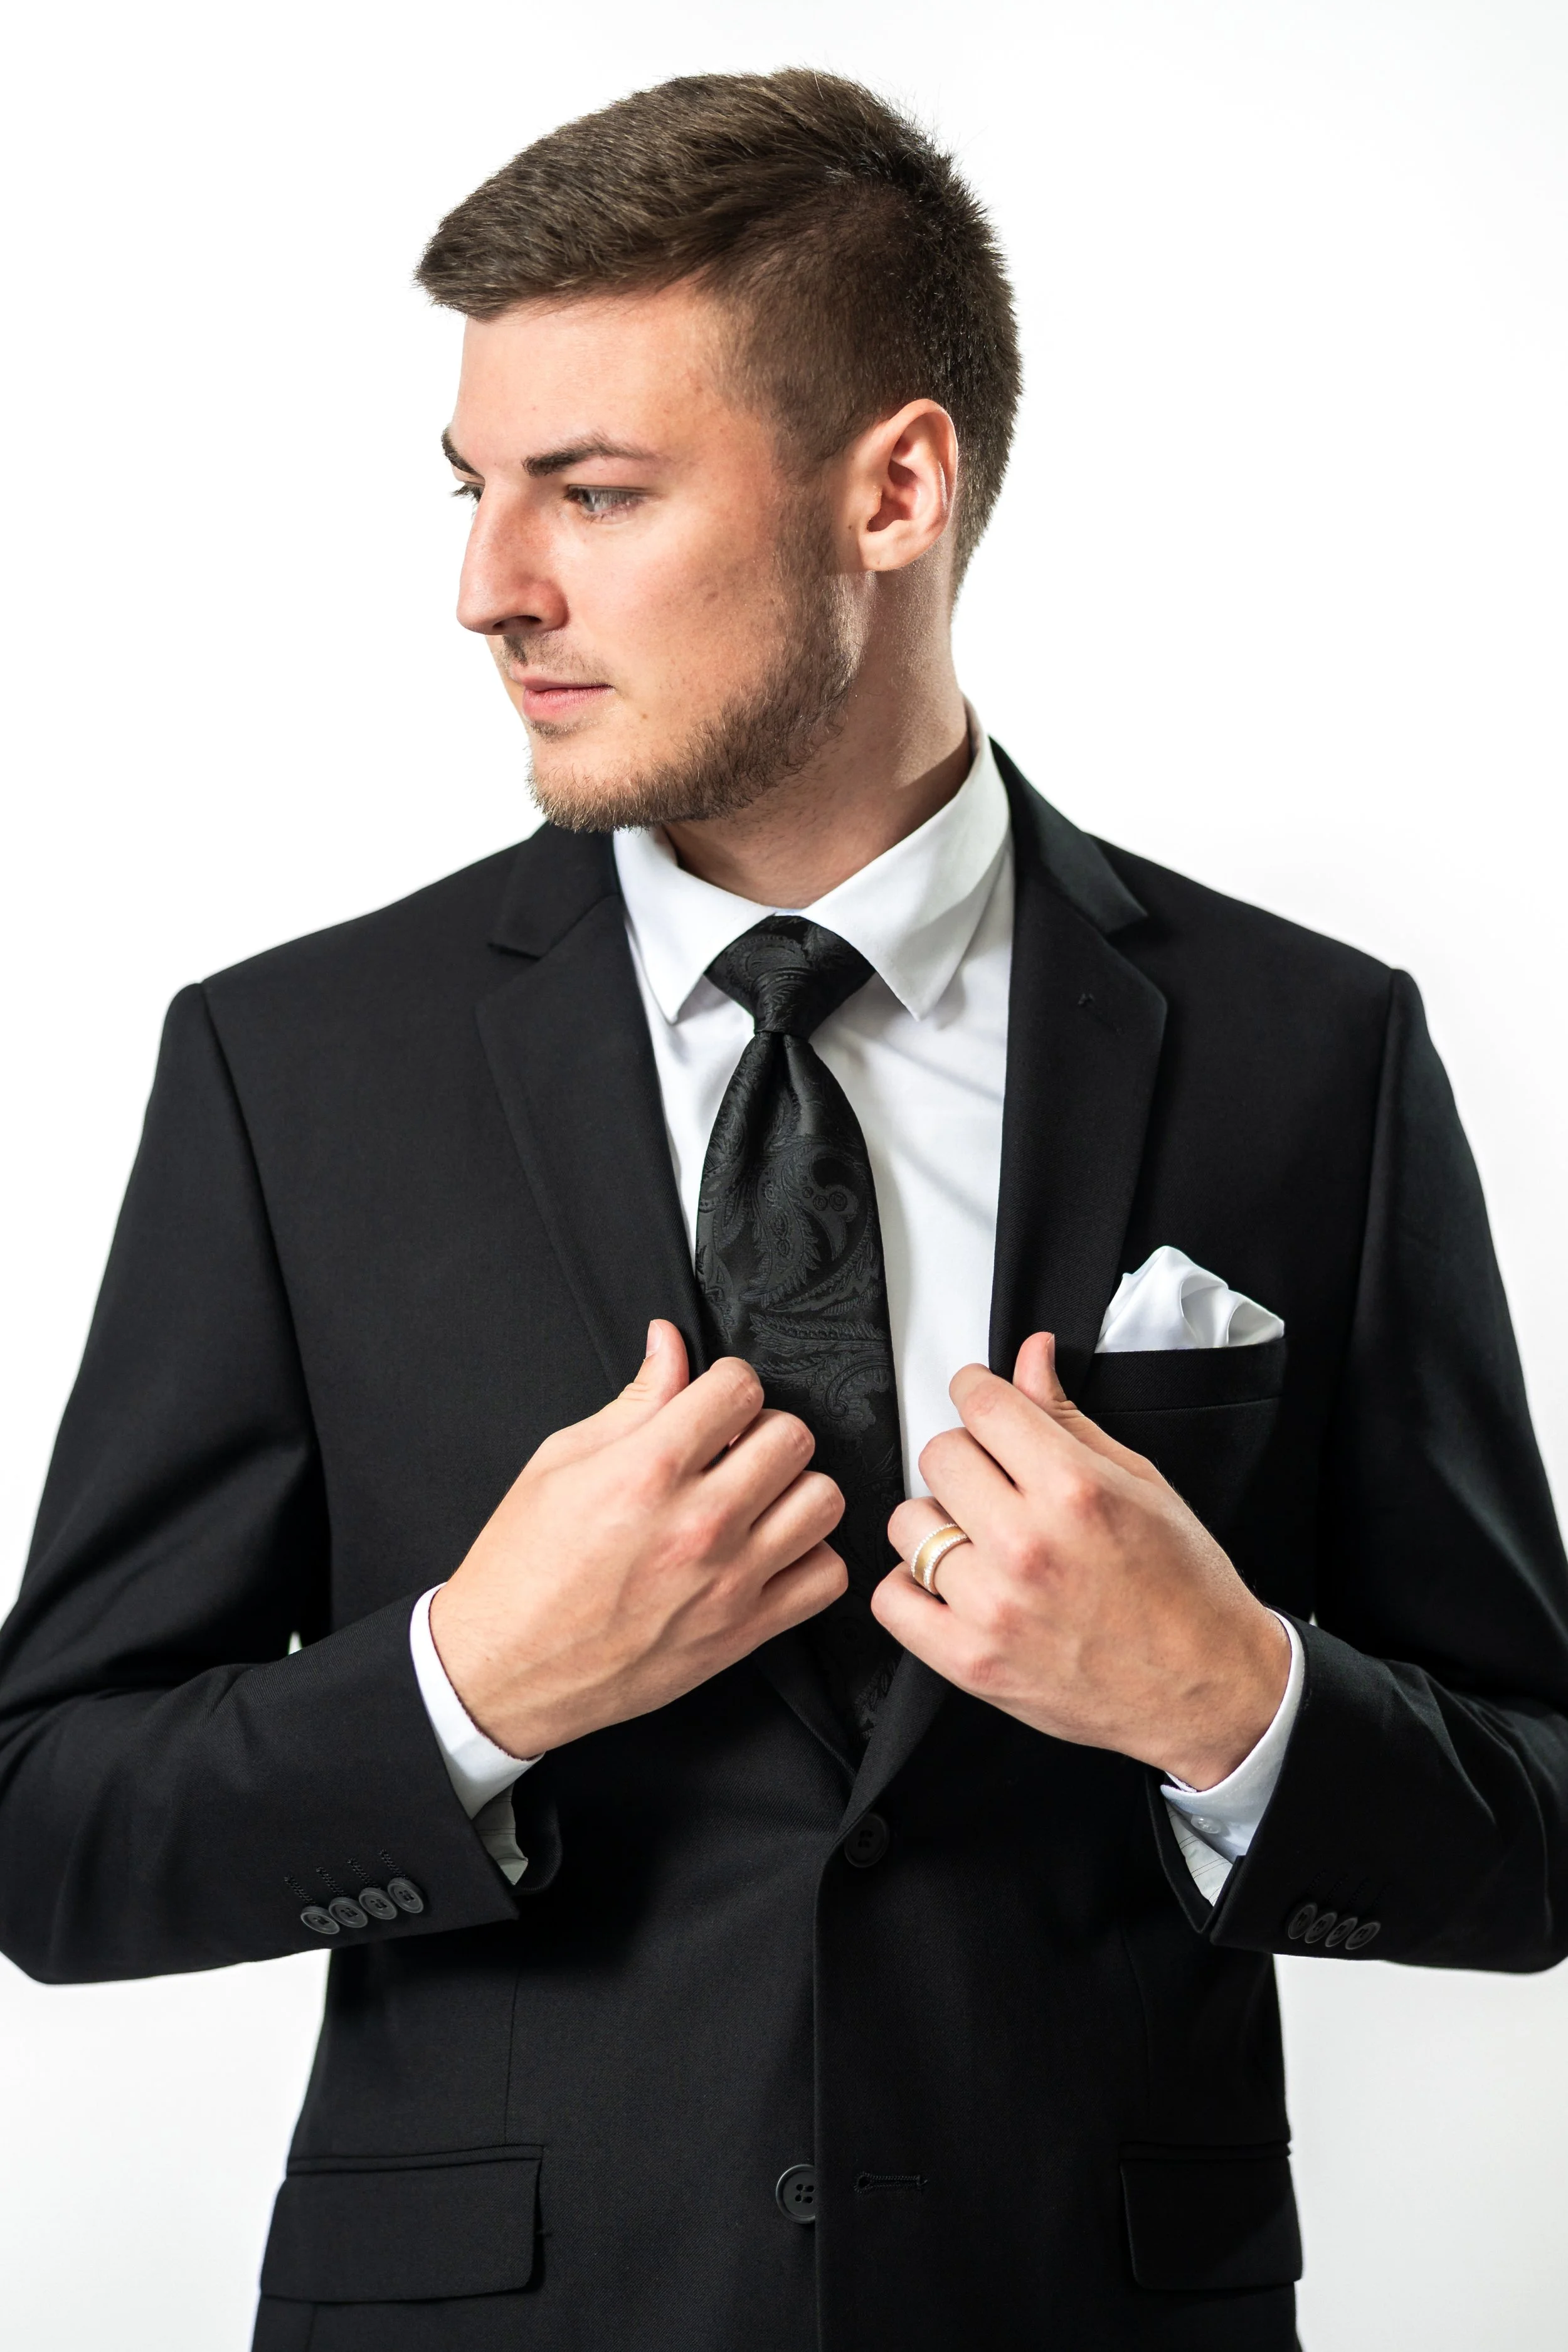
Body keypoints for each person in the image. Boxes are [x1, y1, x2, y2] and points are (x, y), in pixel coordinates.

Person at [3, 66, 1565, 2352]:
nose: (486, 588)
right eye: (470, 489)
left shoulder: (1305, 1052)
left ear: (893, 489)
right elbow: (50, 1833)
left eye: (593, 492)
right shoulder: (290, 1064)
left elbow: (1535, 1824)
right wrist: (467, 1687)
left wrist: (1228, 1699)